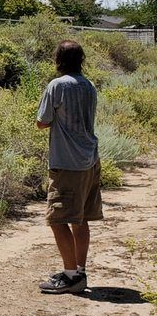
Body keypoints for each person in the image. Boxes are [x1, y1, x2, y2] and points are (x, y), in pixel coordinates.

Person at [35, 40, 101, 295]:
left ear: (58, 59)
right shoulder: (89, 85)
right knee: (80, 218)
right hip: (90, 159)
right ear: (81, 59)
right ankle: (79, 271)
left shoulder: (57, 85)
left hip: (67, 163)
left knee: (58, 218)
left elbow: (42, 122)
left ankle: (70, 275)